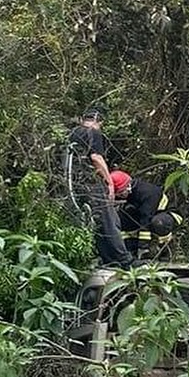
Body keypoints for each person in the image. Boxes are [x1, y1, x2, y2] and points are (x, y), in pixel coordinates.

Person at [67, 105, 132, 268]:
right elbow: (96, 158)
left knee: (95, 221)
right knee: (108, 219)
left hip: (75, 184)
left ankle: (105, 258)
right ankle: (123, 260)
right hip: (90, 182)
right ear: (98, 121)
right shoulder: (93, 133)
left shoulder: (73, 134)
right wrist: (109, 181)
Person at [110, 170, 180, 259]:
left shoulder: (147, 193)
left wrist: (142, 246)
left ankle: (166, 248)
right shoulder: (130, 194)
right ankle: (130, 248)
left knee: (158, 222)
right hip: (147, 216)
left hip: (168, 215)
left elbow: (146, 219)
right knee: (121, 218)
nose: (119, 196)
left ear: (128, 186)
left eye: (120, 192)